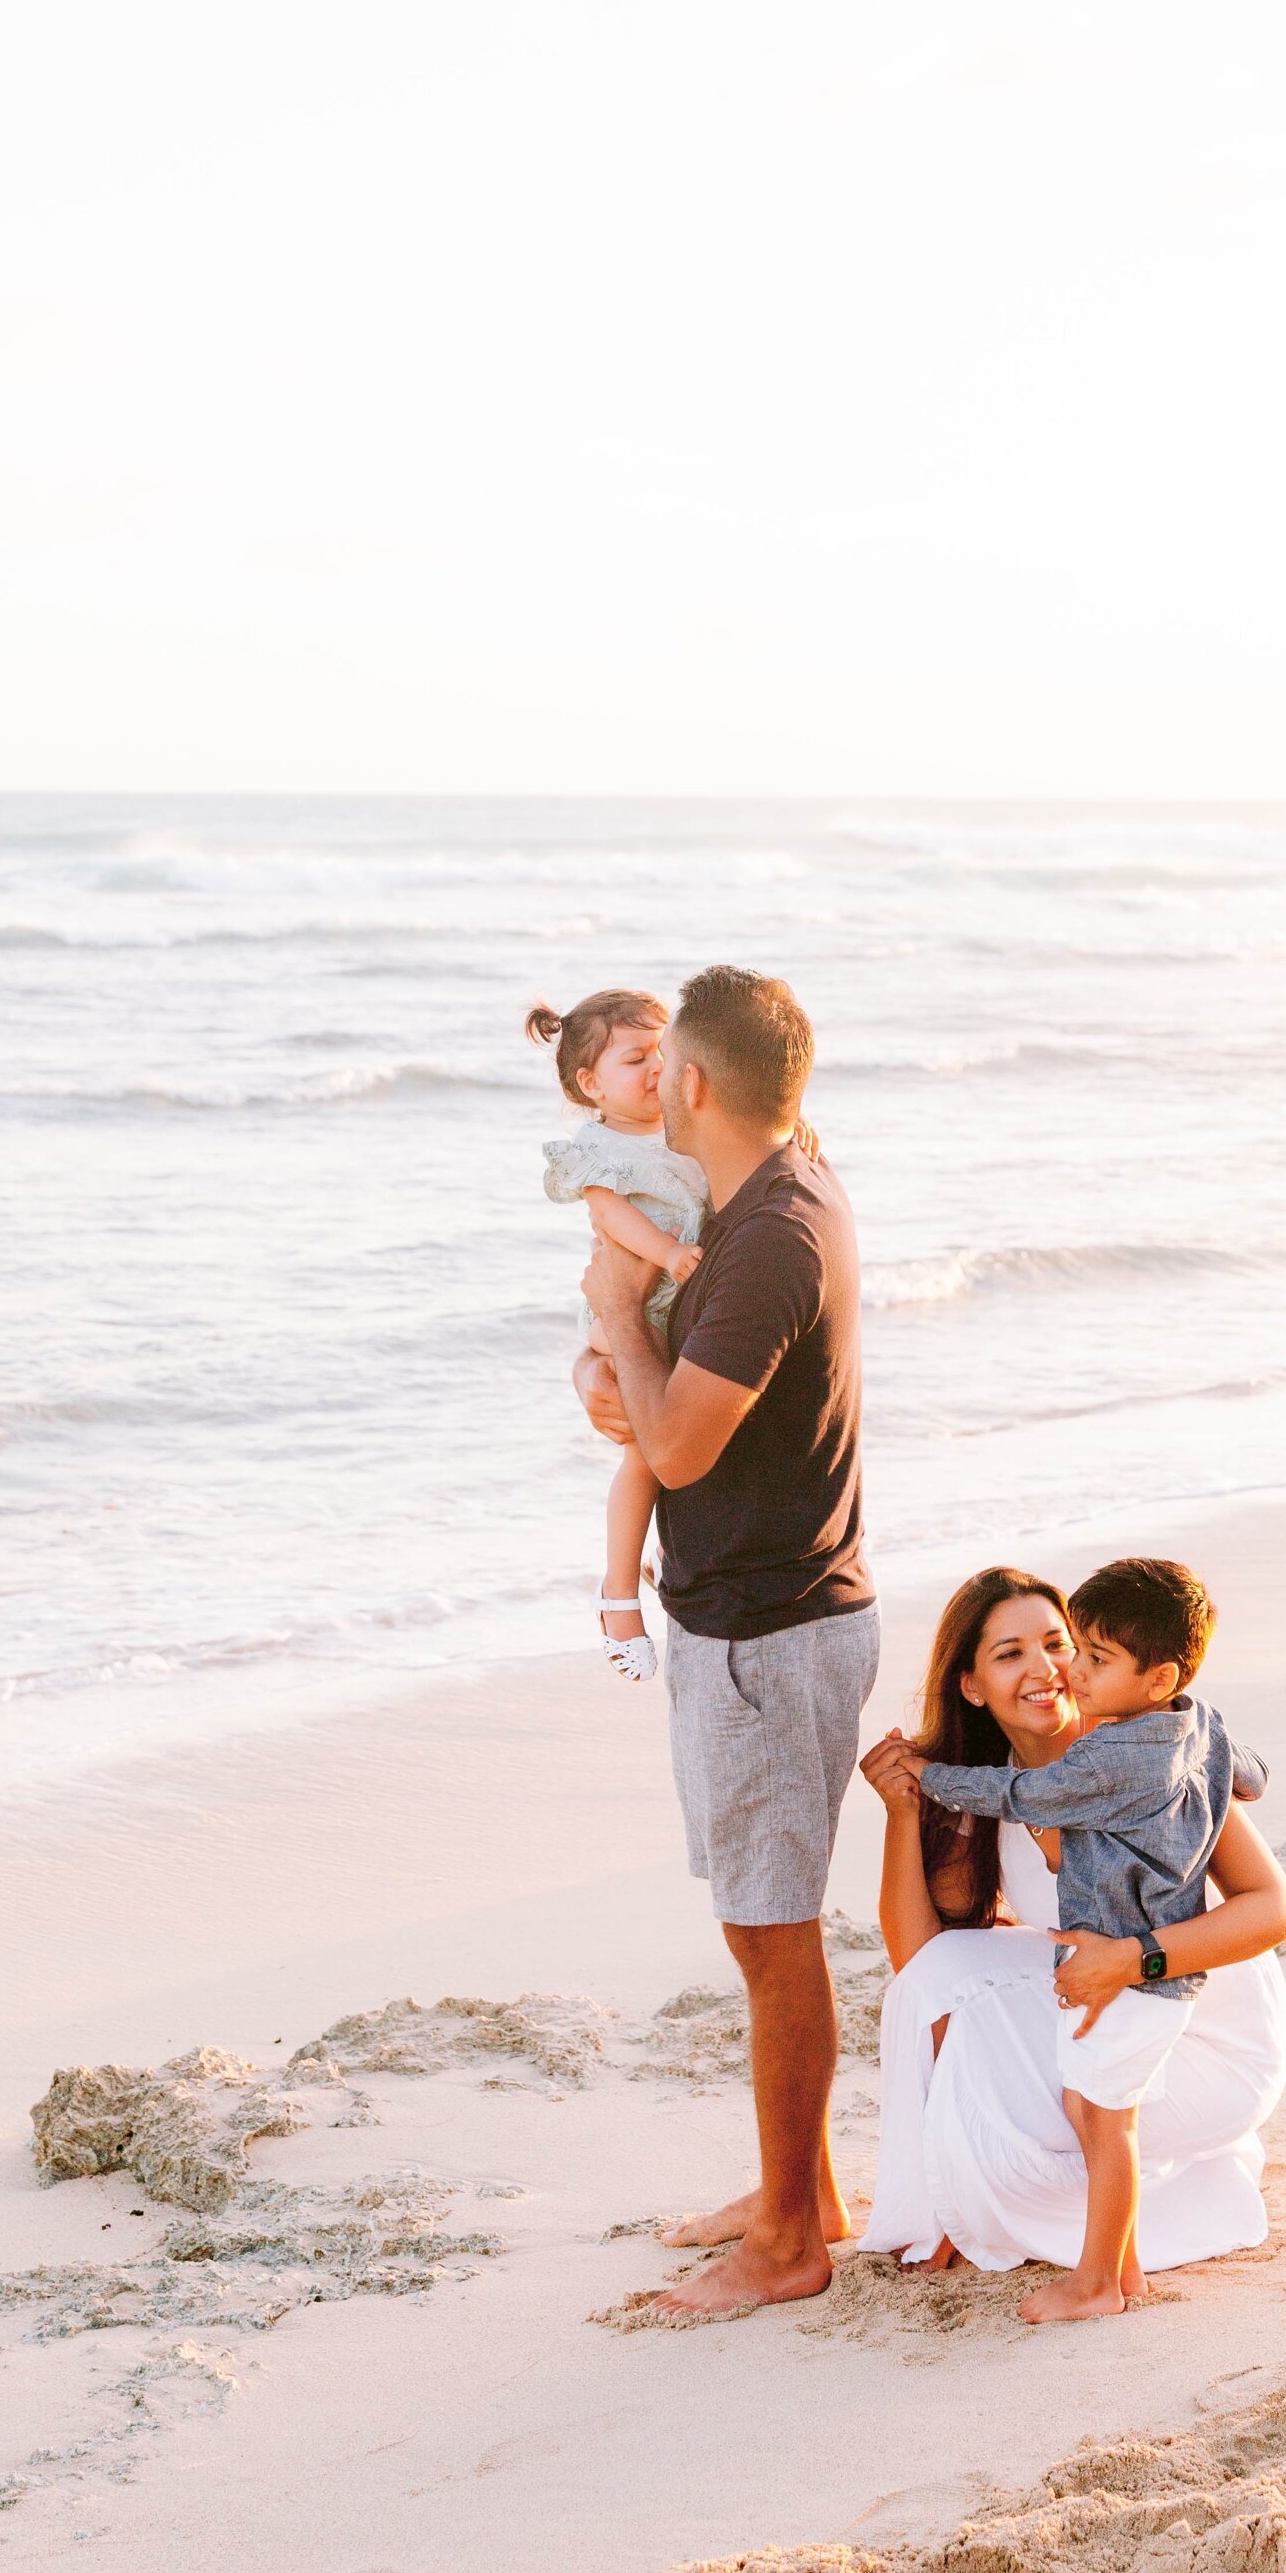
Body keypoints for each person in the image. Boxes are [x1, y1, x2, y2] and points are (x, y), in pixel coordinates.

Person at [577, 964, 877, 2317]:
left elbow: (683, 1444)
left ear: (694, 1084)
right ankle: (794, 2192)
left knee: (772, 1933)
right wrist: (625, 1379)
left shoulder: (770, 1231)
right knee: (767, 1929)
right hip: (742, 1618)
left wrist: (607, 1335)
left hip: (769, 1627)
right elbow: (676, 1410)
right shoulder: (770, 1196)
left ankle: (791, 2244)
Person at [857, 1565, 1286, 2315]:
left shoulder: (1153, 1756)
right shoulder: (995, 1790)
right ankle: (980, 2210)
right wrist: (905, 1808)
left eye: (1060, 1643)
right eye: (1009, 1653)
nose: (1047, 1667)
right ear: (971, 1686)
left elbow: (1274, 1912)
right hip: (1118, 2006)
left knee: (1025, 2106)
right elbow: (921, 1963)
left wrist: (1134, 1956)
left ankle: (1108, 2254)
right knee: (949, 1986)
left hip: (1204, 2032)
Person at [529, 987, 708, 1682]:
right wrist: (666, 1254)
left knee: (678, 1443)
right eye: (636, 1057)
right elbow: (613, 1220)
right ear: (589, 1082)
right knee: (643, 1454)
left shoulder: (681, 1121)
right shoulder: (596, 1148)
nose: (657, 1066)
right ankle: (617, 1595)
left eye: (663, 1050)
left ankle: (665, 1551)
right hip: (633, 1312)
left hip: (676, 1304)